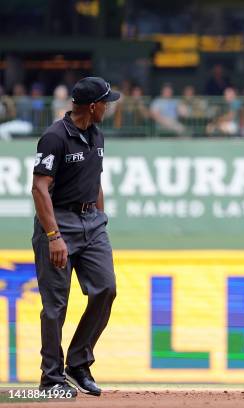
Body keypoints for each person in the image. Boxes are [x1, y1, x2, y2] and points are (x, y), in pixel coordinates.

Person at [31, 77, 119, 398]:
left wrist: (100, 219)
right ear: (93, 106)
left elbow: (95, 180)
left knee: (106, 288)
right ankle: (51, 379)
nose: (108, 108)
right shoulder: (54, 137)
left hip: (91, 223)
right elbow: (39, 188)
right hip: (59, 222)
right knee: (56, 306)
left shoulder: (97, 134)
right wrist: (53, 236)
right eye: (106, 103)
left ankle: (78, 362)